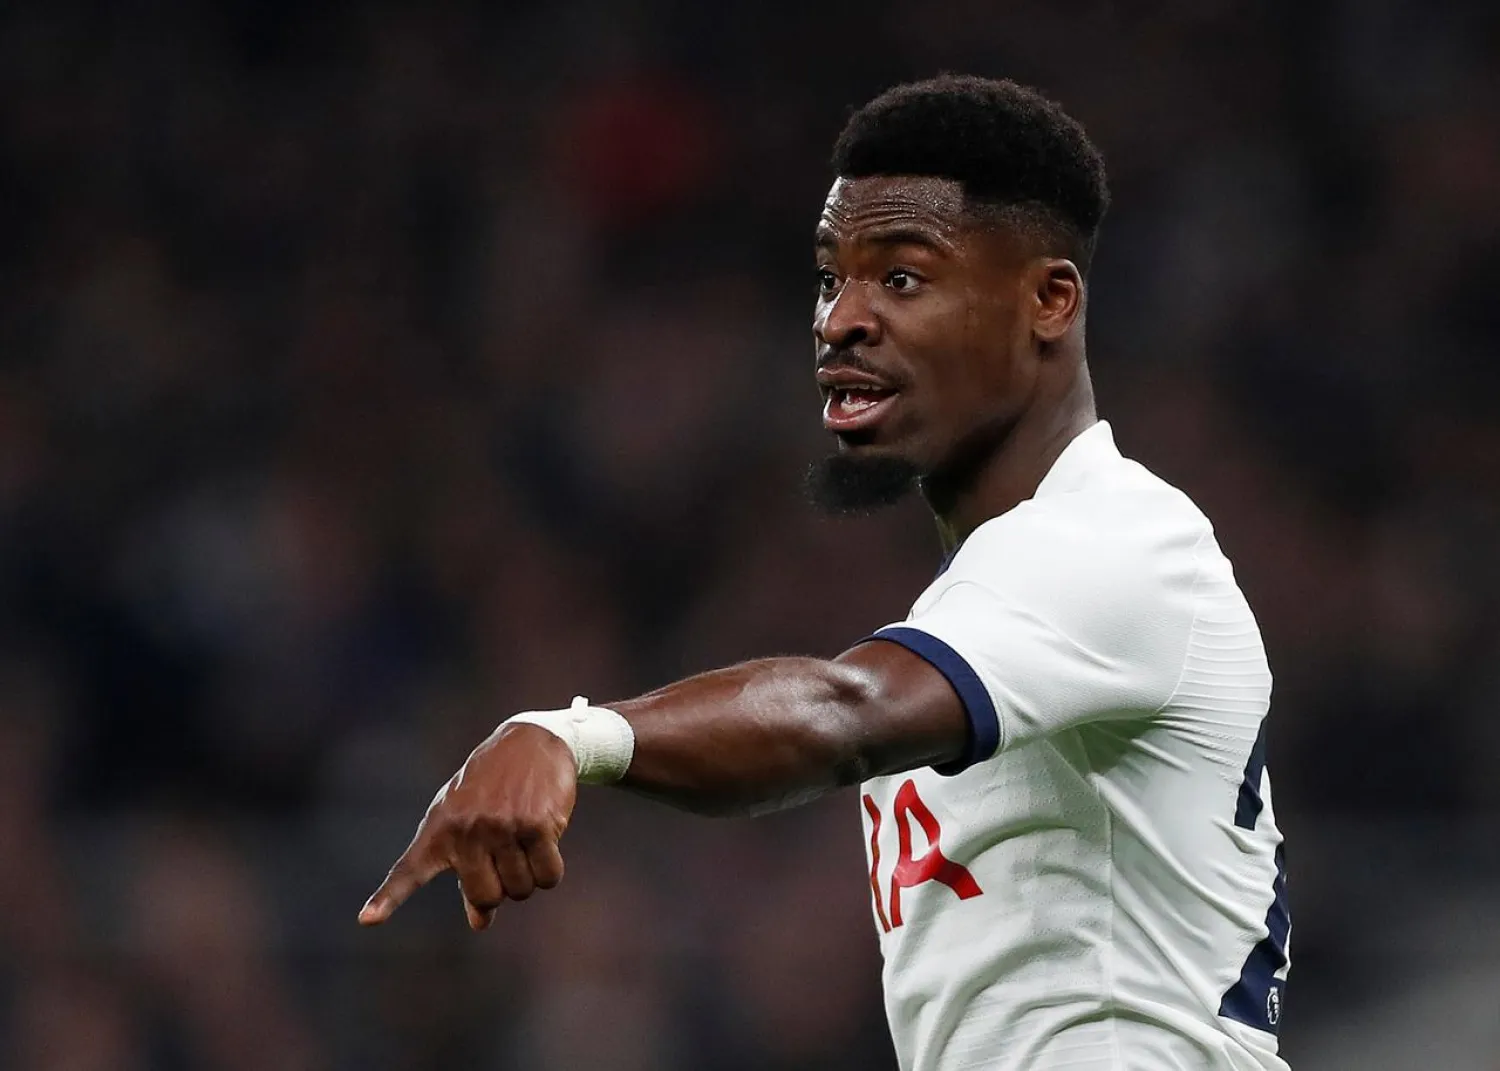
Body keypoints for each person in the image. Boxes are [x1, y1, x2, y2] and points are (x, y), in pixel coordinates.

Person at [358, 75, 1291, 1071]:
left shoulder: (1109, 542)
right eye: (828, 278)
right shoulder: (1001, 606)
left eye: (901, 278)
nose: (841, 319)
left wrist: (574, 735)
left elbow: (845, 710)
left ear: (1048, 300)